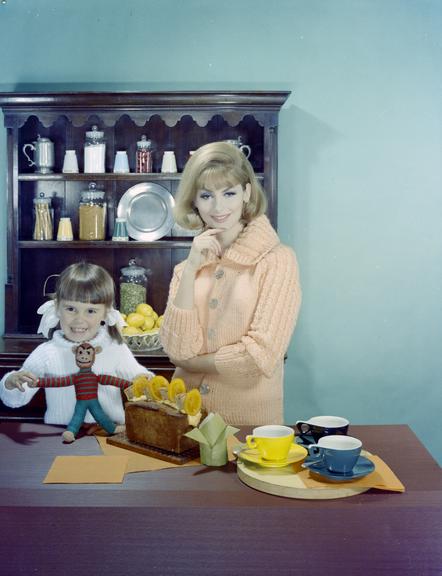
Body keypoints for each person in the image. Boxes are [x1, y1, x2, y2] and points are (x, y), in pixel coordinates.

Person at [159, 142, 301, 425]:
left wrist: (191, 363)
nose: (218, 206)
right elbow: (176, 349)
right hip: (184, 420)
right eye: (206, 195)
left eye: (229, 193)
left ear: (246, 193)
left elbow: (258, 357)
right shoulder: (184, 269)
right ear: (194, 202)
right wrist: (190, 270)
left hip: (248, 425)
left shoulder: (277, 261)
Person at [0, 262, 153, 437]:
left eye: (90, 311)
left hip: (108, 435)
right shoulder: (46, 353)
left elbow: (141, 381)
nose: (79, 320)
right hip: (59, 436)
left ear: (105, 313)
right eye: (71, 309)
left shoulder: (114, 348)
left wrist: (146, 380)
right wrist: (11, 383)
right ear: (57, 308)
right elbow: (15, 400)